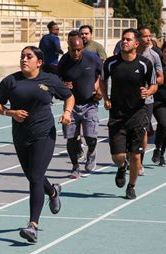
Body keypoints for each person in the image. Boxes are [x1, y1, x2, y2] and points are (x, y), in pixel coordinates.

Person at [0, 46, 74, 243]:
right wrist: (10, 112)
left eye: (29, 57)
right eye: (22, 56)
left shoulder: (50, 80)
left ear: (39, 62)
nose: (24, 60)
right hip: (21, 135)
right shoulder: (11, 81)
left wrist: (67, 113)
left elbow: (69, 96)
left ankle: (32, 226)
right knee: (33, 176)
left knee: (35, 177)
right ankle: (53, 191)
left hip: (44, 134)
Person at [100, 28, 157, 200]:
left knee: (135, 155)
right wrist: (105, 97)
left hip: (137, 114)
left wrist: (148, 92)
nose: (124, 42)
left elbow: (154, 85)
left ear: (136, 44)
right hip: (117, 115)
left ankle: (131, 187)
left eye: (128, 39)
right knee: (117, 157)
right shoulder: (110, 63)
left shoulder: (145, 64)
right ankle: (121, 167)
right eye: (123, 39)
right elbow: (102, 80)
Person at [58, 32, 103, 179]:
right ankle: (75, 167)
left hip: (90, 103)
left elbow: (103, 76)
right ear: (68, 48)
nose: (76, 53)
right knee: (71, 138)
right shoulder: (64, 61)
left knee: (91, 137)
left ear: (83, 48)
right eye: (73, 49)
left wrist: (99, 90)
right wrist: (63, 84)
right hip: (71, 105)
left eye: (79, 49)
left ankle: (91, 152)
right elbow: (56, 81)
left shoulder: (92, 58)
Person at [137, 26, 164, 176]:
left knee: (143, 131)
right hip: (128, 99)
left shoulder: (154, 55)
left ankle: (139, 162)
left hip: (147, 99)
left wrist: (151, 84)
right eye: (145, 36)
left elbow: (161, 78)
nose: (148, 39)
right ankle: (131, 156)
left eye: (149, 36)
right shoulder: (130, 54)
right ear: (138, 38)